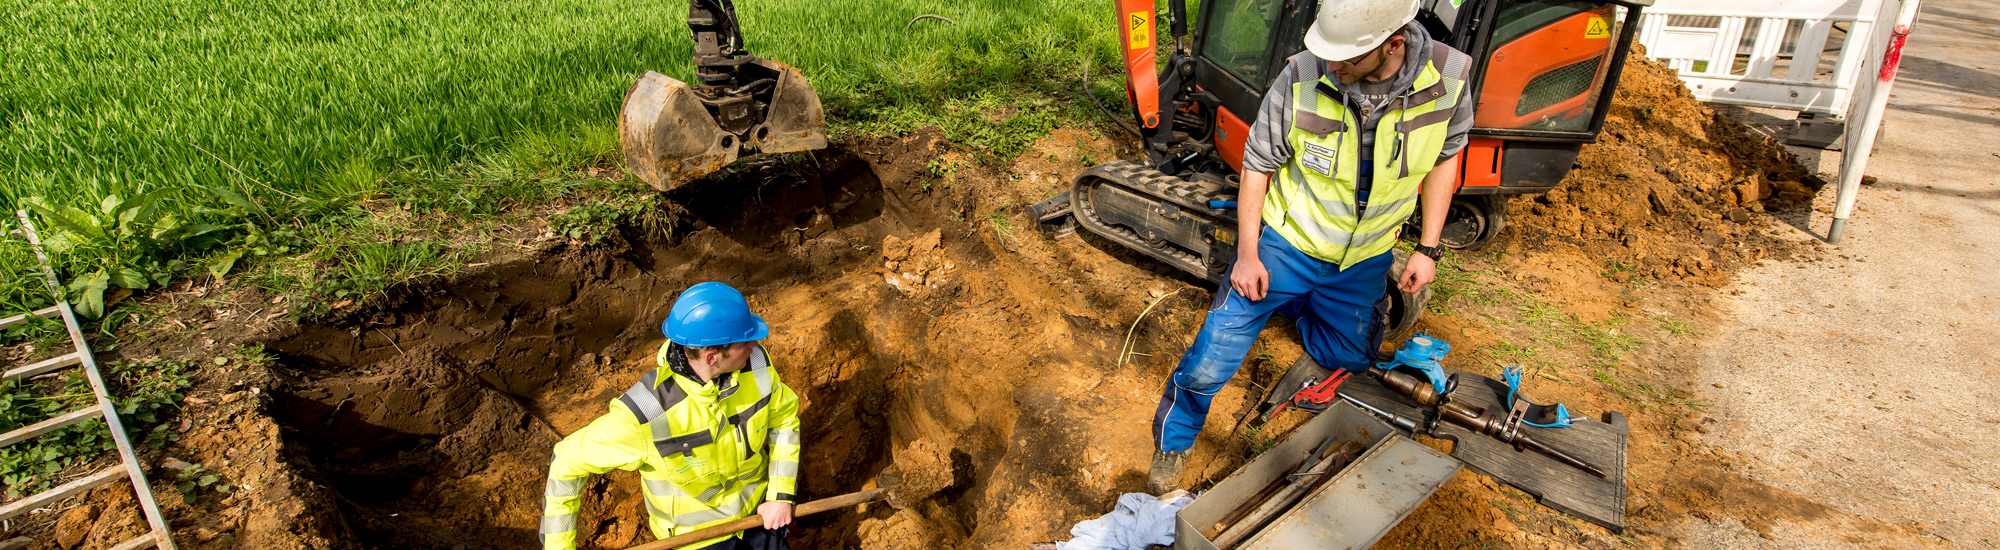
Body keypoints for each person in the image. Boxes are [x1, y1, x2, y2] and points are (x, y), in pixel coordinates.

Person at [1149, 0, 1474, 493]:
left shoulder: (1449, 78)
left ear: (1393, 44)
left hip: (1363, 259)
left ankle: (1304, 307)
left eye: (1347, 59)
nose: (1334, 66)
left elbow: (1446, 158)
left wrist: (1428, 249)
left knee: (1351, 358)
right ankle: (1174, 440)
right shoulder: (1302, 76)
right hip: (1288, 243)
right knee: (1212, 356)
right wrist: (1249, 256)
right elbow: (1257, 163)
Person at [540, 282, 803, 550]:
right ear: (712, 357)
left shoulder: (755, 363)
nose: (754, 344)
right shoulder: (646, 412)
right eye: (745, 341)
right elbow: (567, 461)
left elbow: (784, 421)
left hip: (762, 518)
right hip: (698, 542)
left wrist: (780, 496)